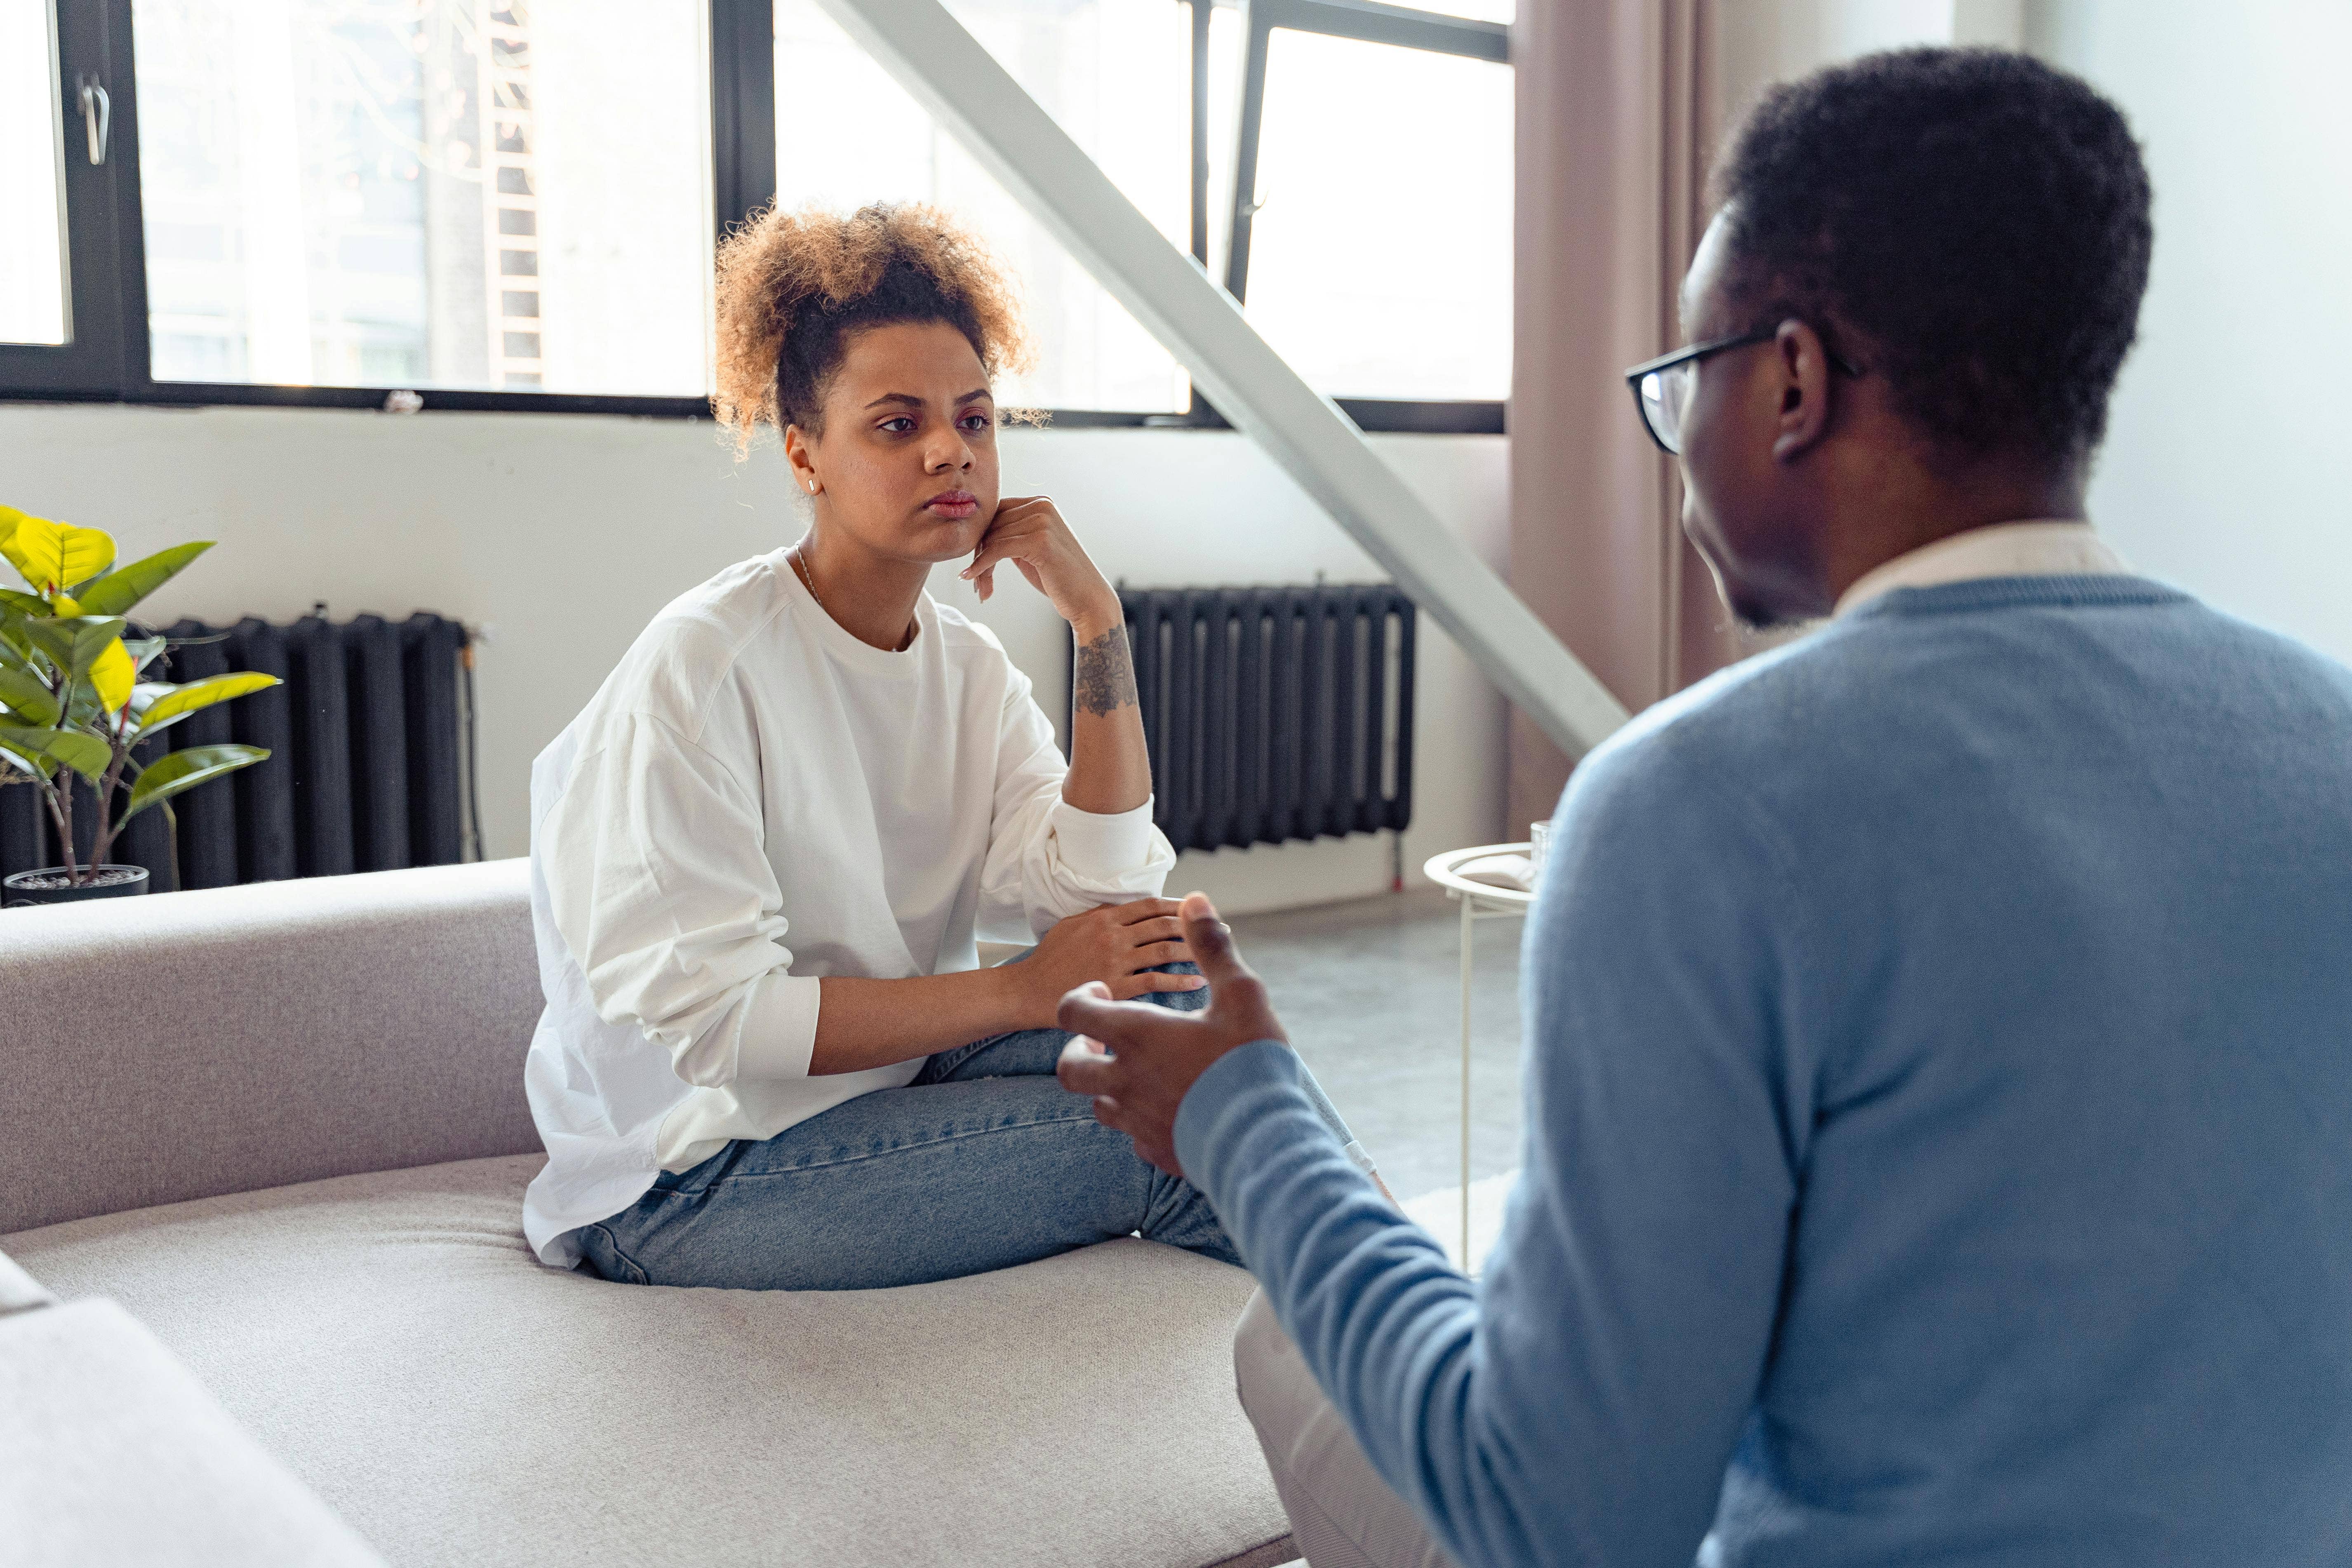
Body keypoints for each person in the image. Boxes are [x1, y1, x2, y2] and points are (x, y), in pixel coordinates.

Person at [1056, 47, 2352, 1568]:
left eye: (1685, 382)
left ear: (1793, 381)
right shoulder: (2324, 732)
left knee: (1295, 1342)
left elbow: (1562, 1522)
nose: (1673, 445)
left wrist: (1244, 1117)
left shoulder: (1698, 804)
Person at [518, 201, 1373, 1289]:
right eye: (895, 423)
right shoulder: (703, 669)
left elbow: (1096, 894)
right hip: (689, 1172)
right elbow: (726, 1025)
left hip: (888, 1080)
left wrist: (1097, 622)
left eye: (974, 419)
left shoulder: (964, 667)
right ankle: (1437, 1383)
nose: (948, 451)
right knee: (1165, 1136)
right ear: (805, 455)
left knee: (1198, 1036)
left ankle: (1448, 1346)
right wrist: (1021, 992)